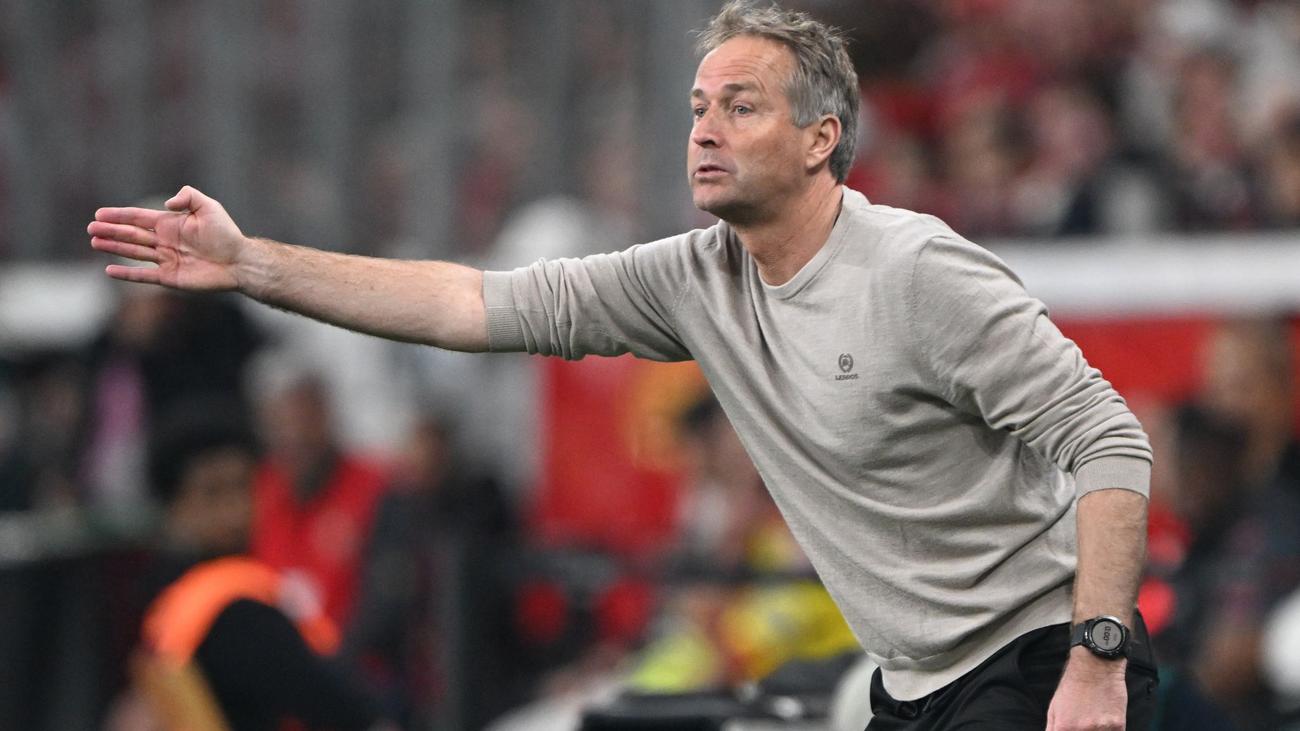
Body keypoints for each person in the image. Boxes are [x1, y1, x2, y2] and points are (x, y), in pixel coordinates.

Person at [88, 2, 1155, 728]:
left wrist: (1097, 659)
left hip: (1037, 662)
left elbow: (1109, 439)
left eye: (740, 106)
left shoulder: (915, 268)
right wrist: (252, 263)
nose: (704, 130)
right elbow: (464, 302)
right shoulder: (691, 278)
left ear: (821, 138)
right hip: (913, 686)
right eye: (697, 107)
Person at [120, 402, 395, 731]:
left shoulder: (163, 597)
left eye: (242, 488)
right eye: (212, 494)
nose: (234, 512)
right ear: (175, 507)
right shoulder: (236, 608)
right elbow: (339, 707)